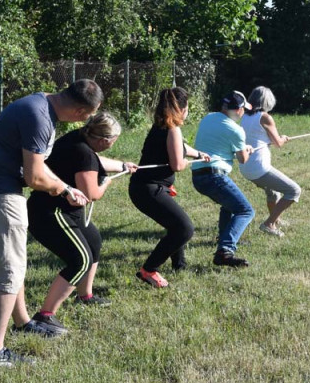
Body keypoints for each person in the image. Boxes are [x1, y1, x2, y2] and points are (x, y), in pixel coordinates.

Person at [0, 79, 102, 367]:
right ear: (80, 110)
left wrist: (64, 185)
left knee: (14, 265)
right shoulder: (39, 117)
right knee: (10, 271)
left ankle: (23, 322)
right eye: (89, 115)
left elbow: (38, 167)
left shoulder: (39, 104)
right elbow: (34, 177)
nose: (87, 120)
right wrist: (65, 190)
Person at [27, 112, 138, 327]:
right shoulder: (84, 153)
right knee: (80, 260)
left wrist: (123, 166)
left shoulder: (77, 138)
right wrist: (105, 182)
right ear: (105, 140)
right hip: (50, 213)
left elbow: (94, 162)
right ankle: (45, 316)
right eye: (114, 140)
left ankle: (85, 296)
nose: (114, 143)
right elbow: (92, 194)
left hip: (60, 209)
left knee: (93, 241)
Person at [128, 87, 211, 287]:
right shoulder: (173, 129)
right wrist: (190, 161)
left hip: (144, 187)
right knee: (184, 228)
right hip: (149, 189)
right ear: (182, 109)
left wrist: (199, 154)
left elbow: (180, 147)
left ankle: (179, 265)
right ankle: (149, 269)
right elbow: (178, 165)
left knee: (175, 225)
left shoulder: (162, 125)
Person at [191, 91, 256, 267]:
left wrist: (241, 147)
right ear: (239, 110)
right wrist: (246, 150)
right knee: (245, 211)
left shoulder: (208, 118)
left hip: (198, 177)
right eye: (244, 109)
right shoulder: (236, 130)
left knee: (229, 206)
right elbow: (242, 159)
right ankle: (225, 251)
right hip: (214, 176)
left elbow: (217, 145)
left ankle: (224, 237)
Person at [240, 86, 301, 238]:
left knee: (273, 192)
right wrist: (284, 138)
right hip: (259, 167)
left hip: (245, 166)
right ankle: (269, 224)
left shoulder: (245, 116)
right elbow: (278, 143)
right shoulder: (265, 117)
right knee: (294, 191)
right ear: (268, 102)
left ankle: (276, 219)